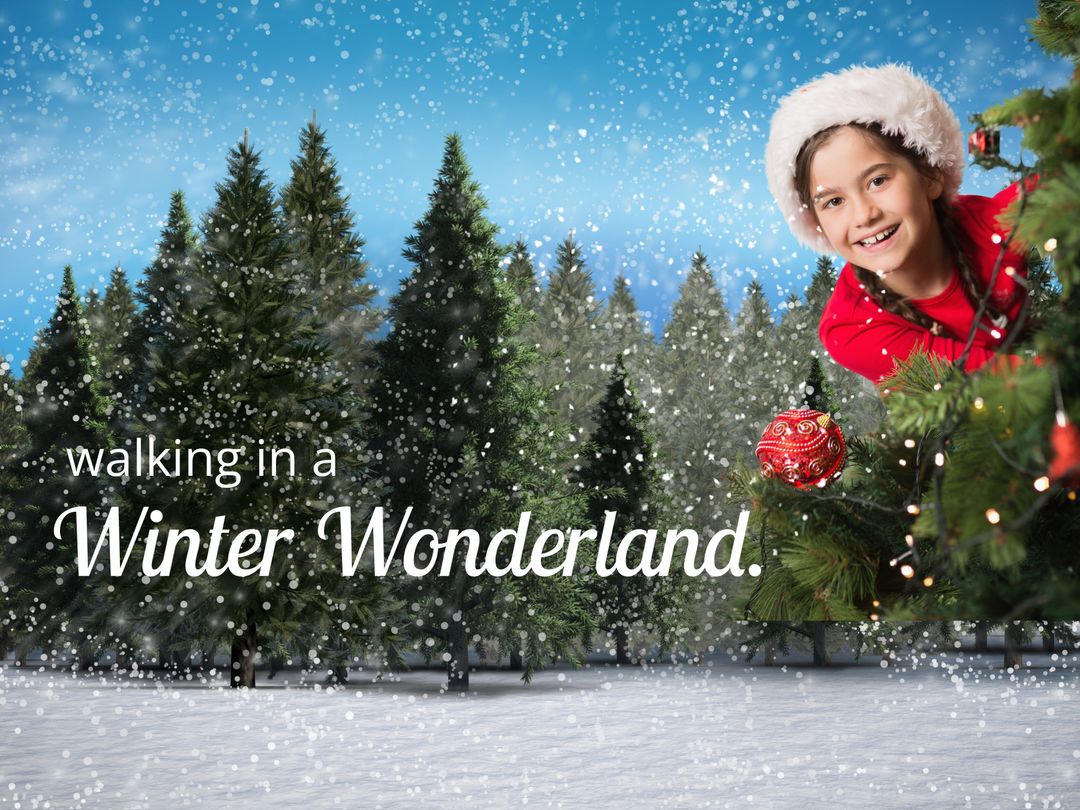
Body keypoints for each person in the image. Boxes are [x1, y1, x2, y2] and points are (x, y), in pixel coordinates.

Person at [764, 63, 1035, 385]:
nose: (864, 215)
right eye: (834, 202)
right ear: (816, 223)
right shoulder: (852, 329)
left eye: (878, 181)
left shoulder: (991, 224)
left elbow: (1061, 181)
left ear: (931, 176)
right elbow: (988, 378)